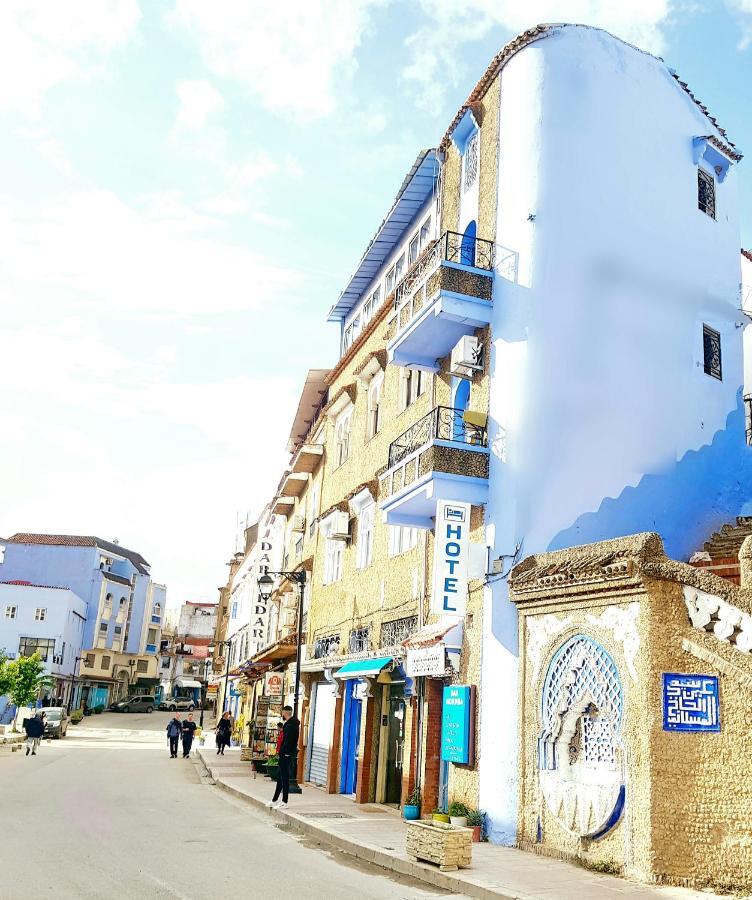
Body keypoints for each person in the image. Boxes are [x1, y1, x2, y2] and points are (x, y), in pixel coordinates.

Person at [266, 705, 299, 810]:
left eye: (283, 712)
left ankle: (285, 801)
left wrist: (285, 753)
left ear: (285, 713)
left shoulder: (291, 726)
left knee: (284, 778)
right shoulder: (291, 724)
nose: (282, 714)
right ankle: (274, 800)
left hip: (286, 754)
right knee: (280, 777)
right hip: (284, 754)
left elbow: (289, 741)